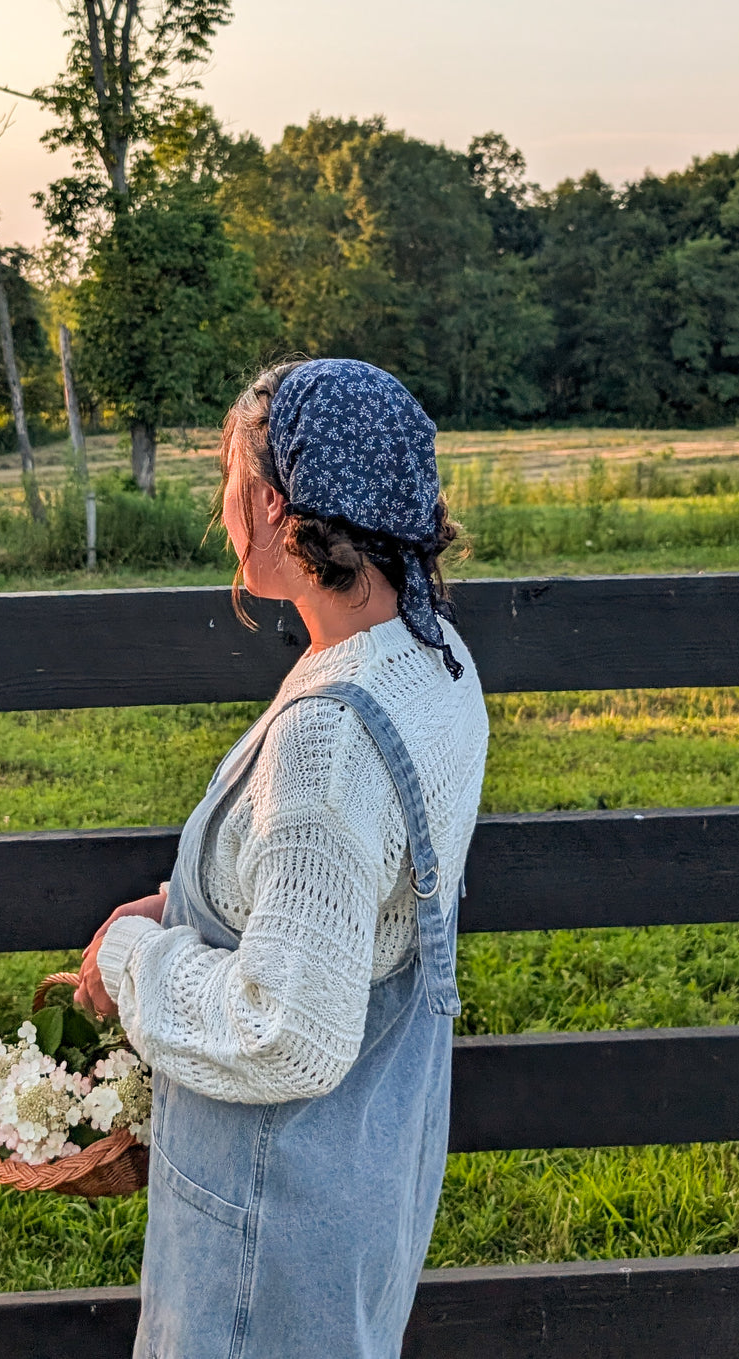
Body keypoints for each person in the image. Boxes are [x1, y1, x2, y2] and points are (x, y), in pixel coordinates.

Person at [76, 357, 489, 1359]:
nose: (223, 507)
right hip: (358, 1183)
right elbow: (341, 886)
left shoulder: (328, 738)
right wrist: (184, 902)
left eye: (230, 479)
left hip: (266, 1232)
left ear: (271, 505)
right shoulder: (429, 659)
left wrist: (130, 961)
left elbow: (286, 1033)